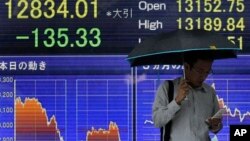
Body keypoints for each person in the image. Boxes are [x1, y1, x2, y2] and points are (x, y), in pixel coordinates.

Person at [152, 52, 223, 141]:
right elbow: (157, 121)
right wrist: (176, 101)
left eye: (207, 72)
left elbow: (217, 127)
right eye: (200, 71)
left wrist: (215, 125)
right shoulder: (167, 88)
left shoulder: (210, 92)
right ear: (186, 67)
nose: (204, 76)